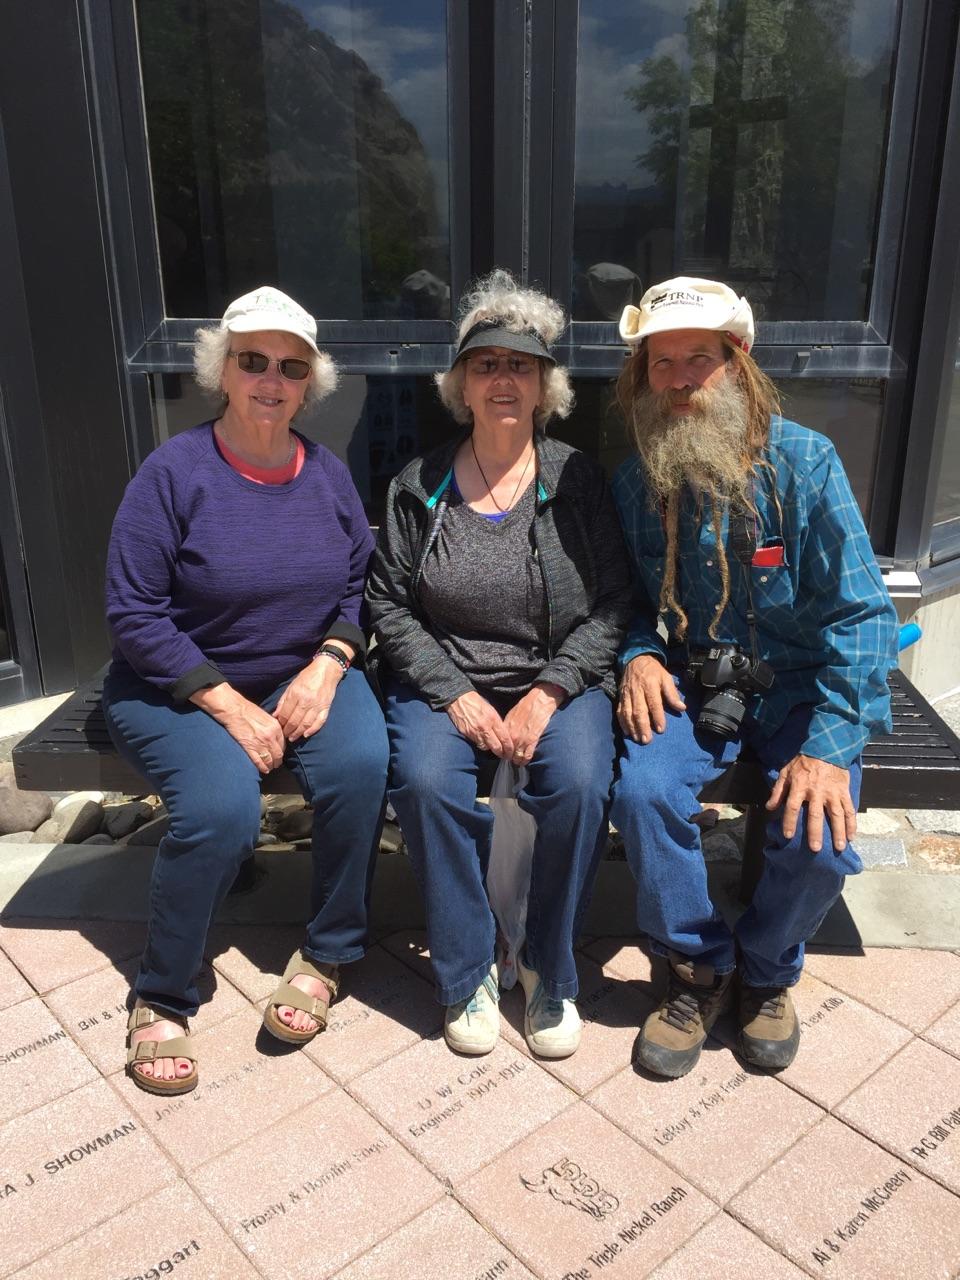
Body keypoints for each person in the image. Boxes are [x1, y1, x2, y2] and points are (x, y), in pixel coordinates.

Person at [610, 276, 898, 1078]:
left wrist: (829, 748)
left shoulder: (806, 464)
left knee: (821, 838)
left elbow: (865, 614)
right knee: (641, 794)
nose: (678, 381)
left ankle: (768, 971)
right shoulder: (638, 480)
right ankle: (698, 966)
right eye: (661, 363)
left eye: (697, 359)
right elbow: (625, 601)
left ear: (737, 362)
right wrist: (637, 654)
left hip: (805, 688)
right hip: (698, 683)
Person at [104, 285, 388, 1095]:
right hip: (175, 685)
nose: (272, 379)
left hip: (300, 672)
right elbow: (133, 611)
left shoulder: (325, 474)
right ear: (221, 370)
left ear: (309, 384)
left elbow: (359, 586)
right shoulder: (173, 473)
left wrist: (329, 663)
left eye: (292, 368)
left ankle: (329, 953)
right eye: (253, 360)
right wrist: (228, 705)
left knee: (363, 765)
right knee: (222, 810)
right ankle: (163, 991)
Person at [366, 270, 632, 1059]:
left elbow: (614, 603)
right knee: (422, 780)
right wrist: (454, 693)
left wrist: (549, 692)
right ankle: (468, 968)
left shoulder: (578, 480)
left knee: (579, 783)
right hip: (444, 680)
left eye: (522, 365)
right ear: (461, 384)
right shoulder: (418, 484)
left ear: (546, 385)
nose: (504, 379)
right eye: (486, 364)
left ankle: (548, 966)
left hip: (558, 677)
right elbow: (388, 605)